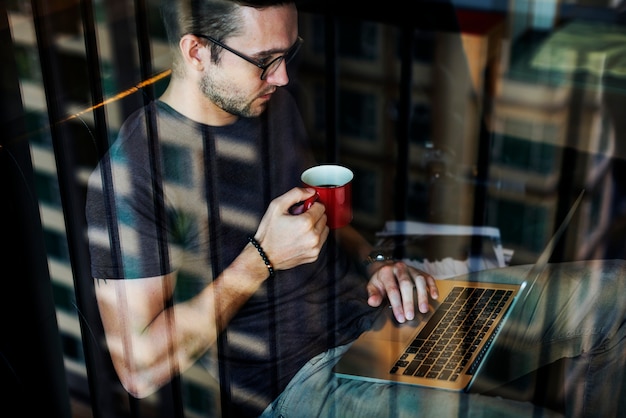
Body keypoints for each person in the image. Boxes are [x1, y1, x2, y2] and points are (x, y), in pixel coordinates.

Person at [85, 1, 626, 417]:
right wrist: (260, 259)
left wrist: (376, 263)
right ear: (197, 51)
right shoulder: (133, 175)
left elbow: (325, 223)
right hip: (300, 386)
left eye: (288, 55)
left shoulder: (270, 106)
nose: (283, 78)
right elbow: (140, 370)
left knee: (616, 296)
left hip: (378, 322)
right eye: (266, 62)